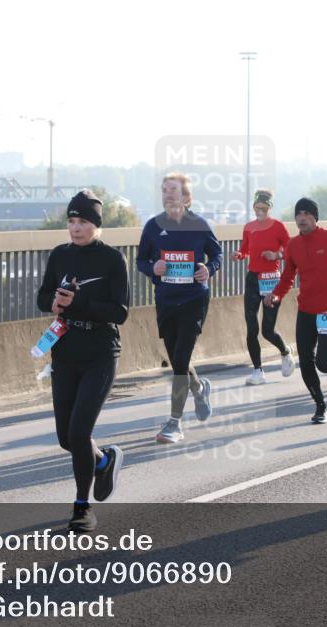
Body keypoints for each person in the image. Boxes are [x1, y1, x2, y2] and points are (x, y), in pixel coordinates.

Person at [36, 190, 130, 532]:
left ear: (96, 225)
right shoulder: (60, 255)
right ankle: (104, 460)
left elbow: (120, 312)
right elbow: (43, 295)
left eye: (83, 222)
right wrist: (55, 304)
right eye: (72, 221)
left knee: (79, 431)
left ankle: (81, 506)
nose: (76, 228)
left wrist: (78, 303)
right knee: (66, 438)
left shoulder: (111, 260)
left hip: (100, 353)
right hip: (64, 351)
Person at [137, 173, 223, 443]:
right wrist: (153, 267)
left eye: (173, 189)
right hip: (165, 300)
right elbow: (141, 260)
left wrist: (207, 270)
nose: (167, 193)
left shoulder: (199, 225)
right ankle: (198, 388)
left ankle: (174, 422)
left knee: (181, 360)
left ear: (186, 197)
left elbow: (217, 254)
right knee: (177, 360)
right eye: (164, 189)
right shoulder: (152, 226)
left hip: (193, 299)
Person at [267, 197, 327, 423]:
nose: (300, 218)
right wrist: (276, 294)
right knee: (306, 361)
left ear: (314, 217)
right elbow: (288, 276)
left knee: (323, 364)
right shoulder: (293, 245)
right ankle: (321, 406)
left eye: (305, 214)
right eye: (297, 214)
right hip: (306, 309)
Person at [231, 188, 295, 385]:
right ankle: (258, 371)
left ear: (270, 208)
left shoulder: (278, 227)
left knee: (267, 330)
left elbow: (291, 251)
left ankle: (285, 351)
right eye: (257, 208)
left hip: (271, 280)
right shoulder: (249, 227)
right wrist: (239, 255)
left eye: (264, 209)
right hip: (253, 279)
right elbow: (245, 249)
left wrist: (276, 256)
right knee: (251, 328)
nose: (259, 212)